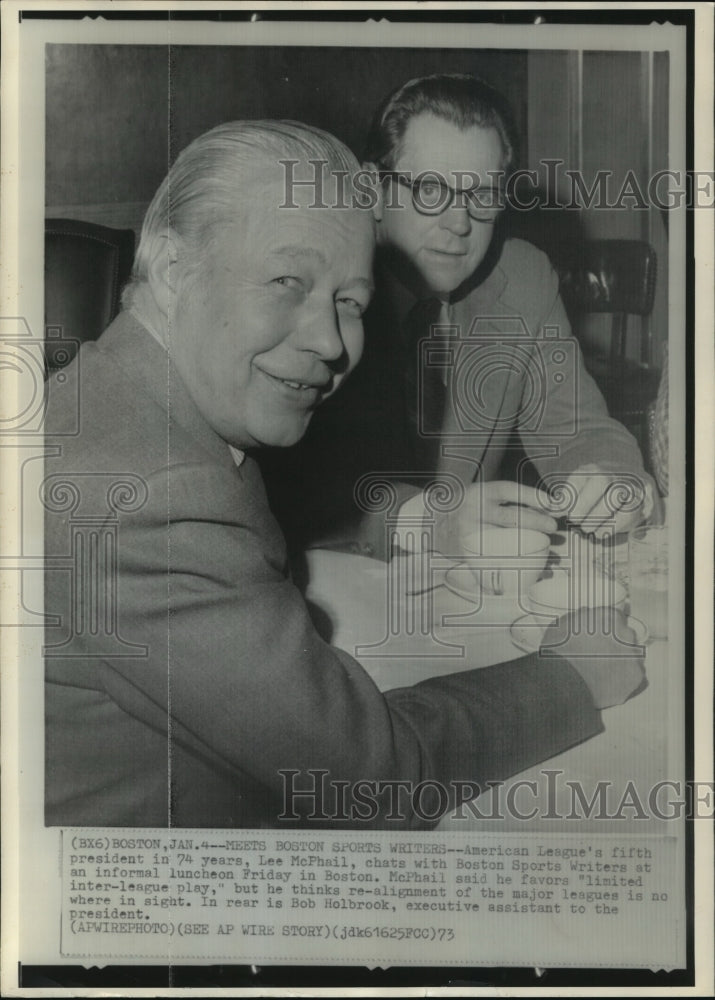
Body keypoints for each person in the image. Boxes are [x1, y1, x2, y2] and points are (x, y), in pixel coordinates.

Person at [44, 120, 644, 830]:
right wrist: (570, 676)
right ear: (175, 270)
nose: (330, 342)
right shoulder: (152, 498)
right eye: (286, 281)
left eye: (348, 303)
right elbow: (375, 777)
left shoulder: (116, 399)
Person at [264, 74, 656, 561]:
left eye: (483, 194)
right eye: (430, 189)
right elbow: (276, 493)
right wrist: (423, 524)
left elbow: (576, 427)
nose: (459, 222)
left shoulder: (521, 276)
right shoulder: (307, 278)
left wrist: (613, 480)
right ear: (371, 188)